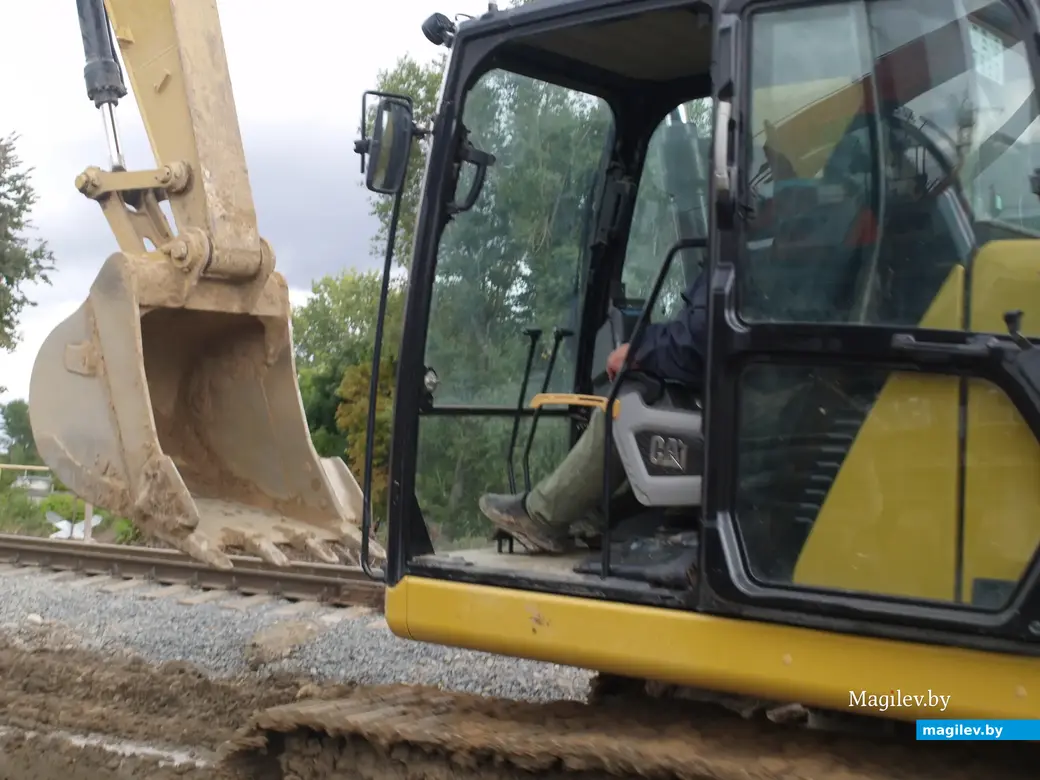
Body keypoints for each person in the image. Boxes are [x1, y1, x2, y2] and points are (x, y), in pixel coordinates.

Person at [478, 266, 709, 553]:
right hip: (739, 407)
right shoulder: (753, 259)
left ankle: (543, 516)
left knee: (619, 411)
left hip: (733, 414)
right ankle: (591, 517)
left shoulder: (736, 259)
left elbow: (701, 339)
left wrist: (640, 350)